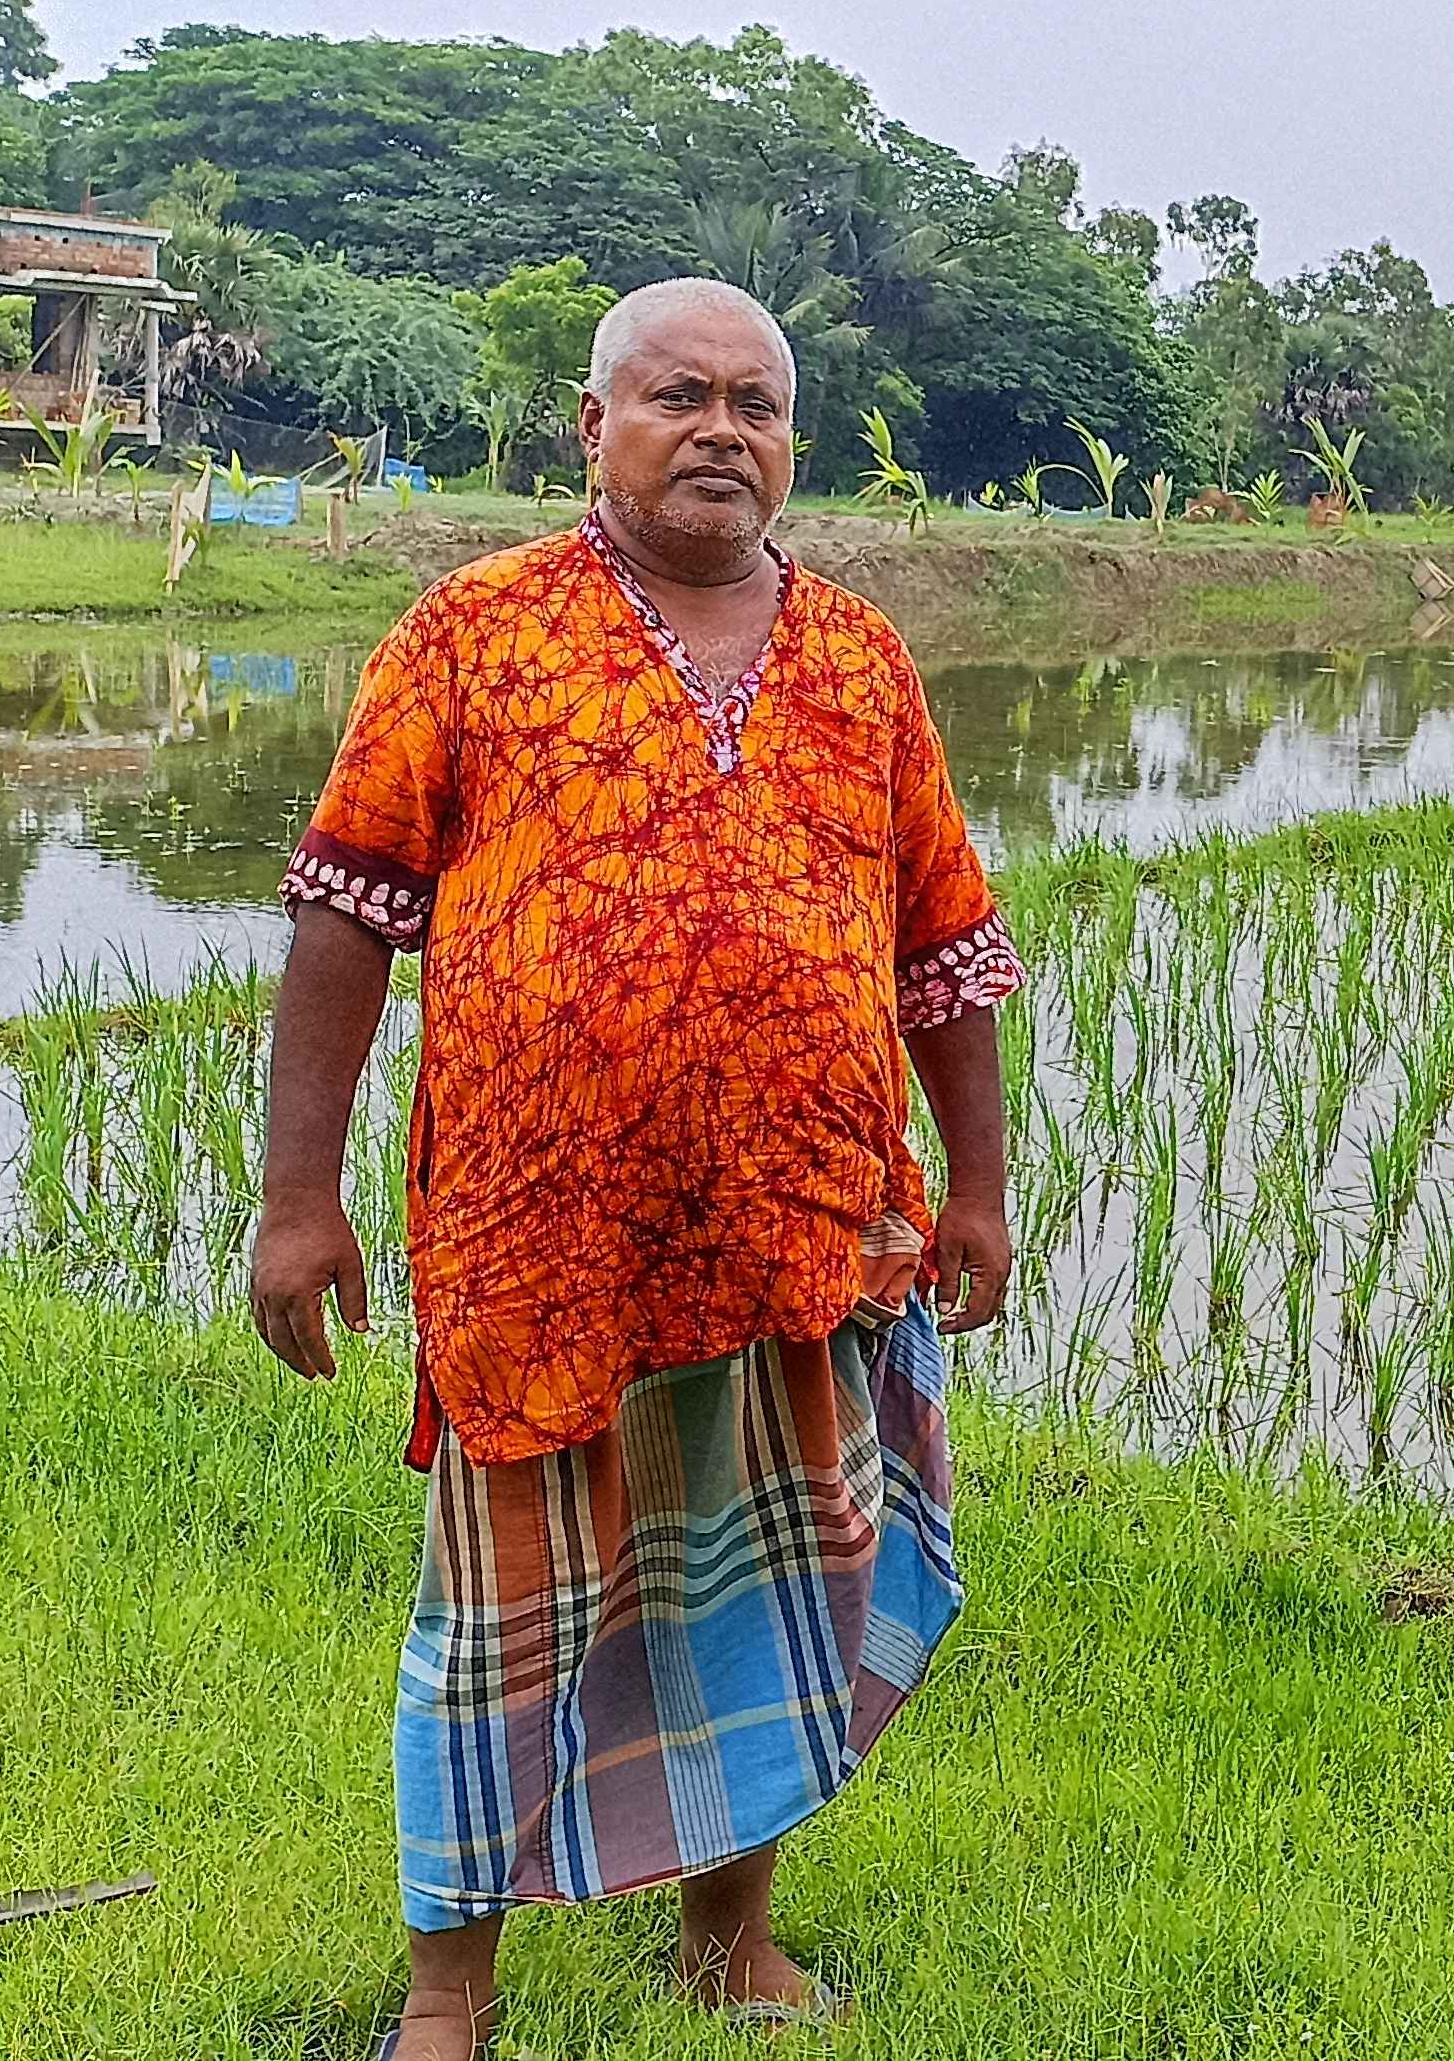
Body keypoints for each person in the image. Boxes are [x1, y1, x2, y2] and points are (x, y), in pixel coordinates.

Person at [247, 278, 1019, 2057]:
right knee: (502, 1617)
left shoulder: (861, 660)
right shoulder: (475, 633)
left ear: (791, 444)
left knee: (764, 1594)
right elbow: (347, 916)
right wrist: (298, 1202)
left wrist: (974, 1189)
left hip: (804, 1231)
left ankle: (728, 1945)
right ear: (595, 427)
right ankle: (450, 1995)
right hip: (541, 1246)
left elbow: (944, 947)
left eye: (757, 404)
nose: (722, 431)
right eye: (681, 396)